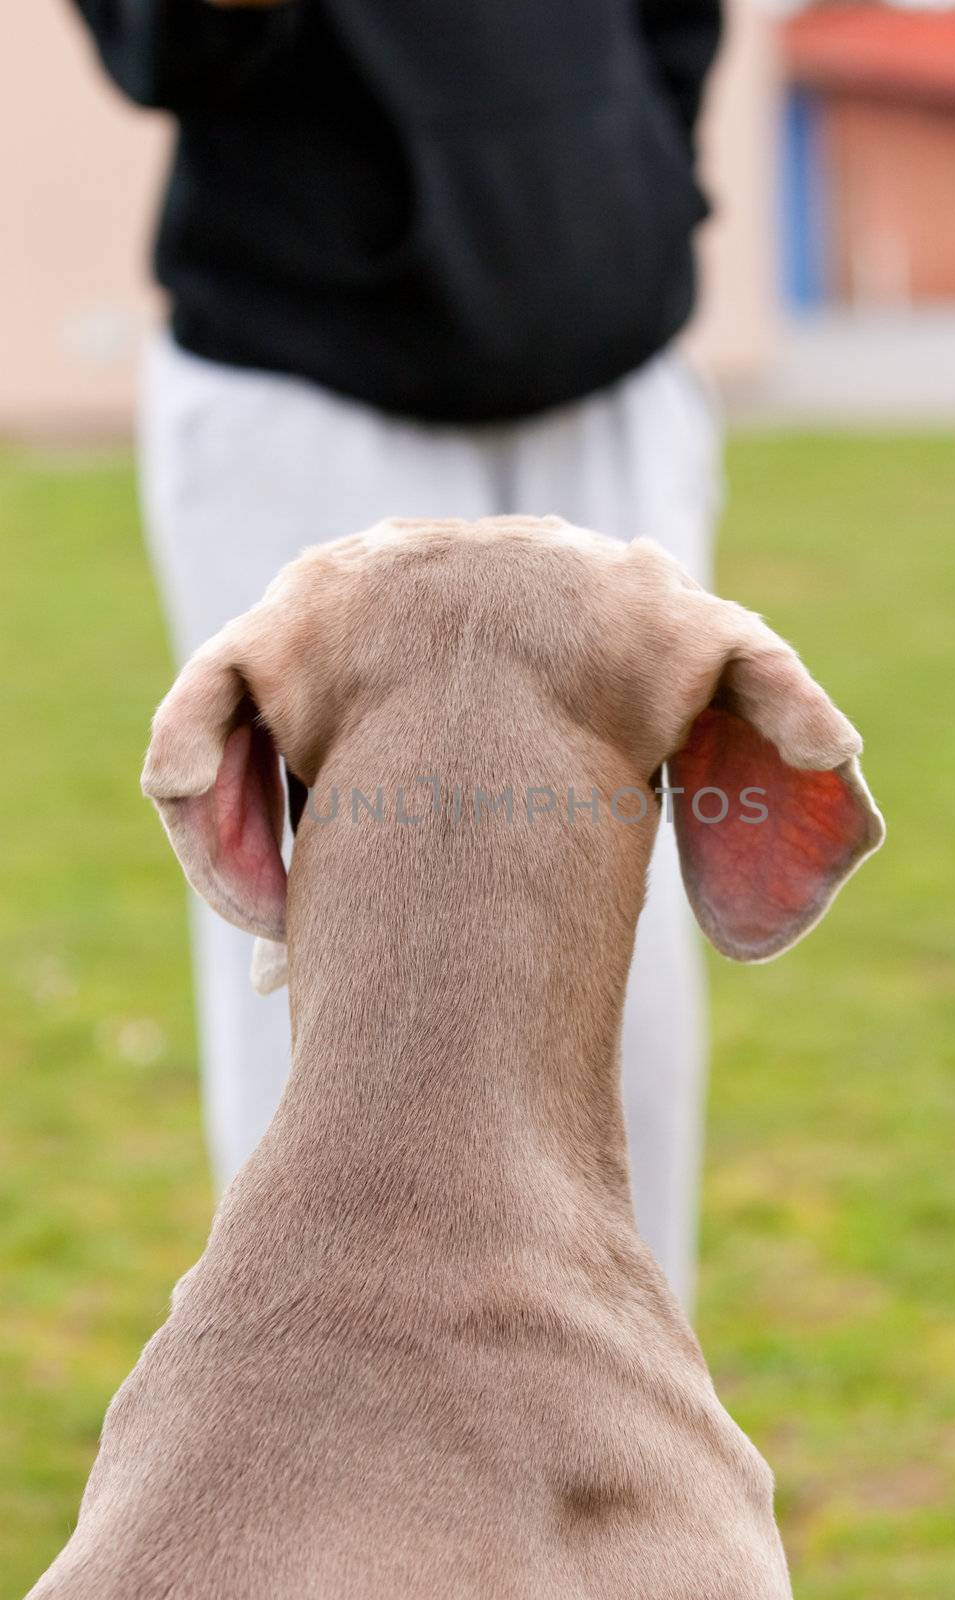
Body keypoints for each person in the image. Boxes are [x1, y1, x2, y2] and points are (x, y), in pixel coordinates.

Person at [70, 0, 724, 1305]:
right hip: (298, 380)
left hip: (603, 355)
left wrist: (634, 193)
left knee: (631, 944)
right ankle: (314, 1436)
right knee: (307, 944)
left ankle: (626, 1460)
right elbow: (166, 42)